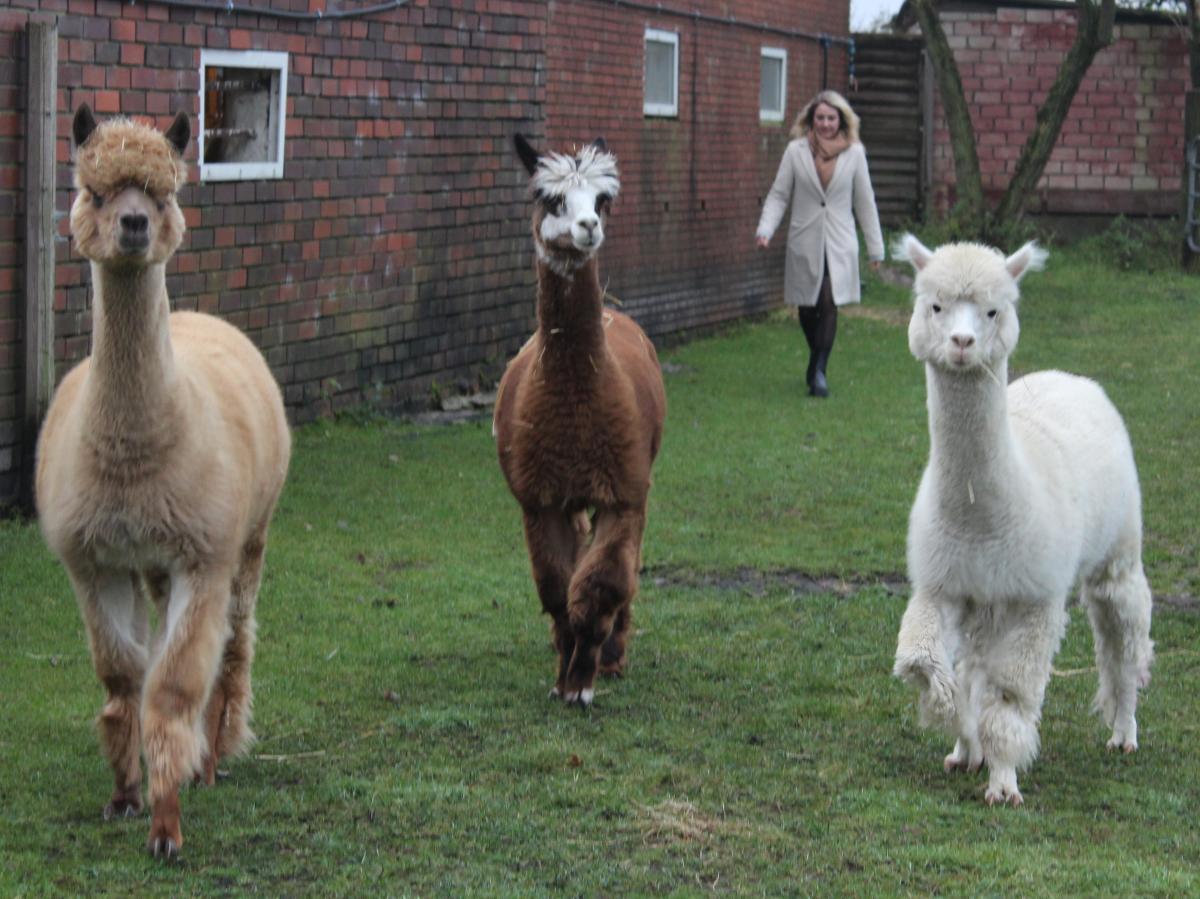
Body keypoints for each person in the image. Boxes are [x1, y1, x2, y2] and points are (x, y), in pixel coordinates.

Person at [755, 90, 884, 397]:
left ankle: (819, 371)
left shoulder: (854, 153)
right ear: (811, 120)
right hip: (804, 238)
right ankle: (816, 360)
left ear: (841, 120)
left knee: (828, 300)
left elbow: (865, 202)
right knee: (806, 306)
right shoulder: (796, 151)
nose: (826, 124)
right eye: (820, 118)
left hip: (840, 240)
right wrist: (765, 229)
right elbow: (779, 194)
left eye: (831, 118)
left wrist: (875, 248)